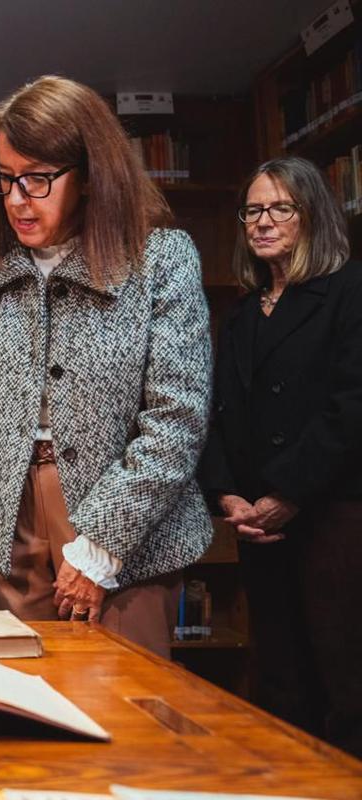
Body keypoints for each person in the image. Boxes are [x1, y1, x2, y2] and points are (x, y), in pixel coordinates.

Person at [0, 75, 213, 658]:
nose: (17, 198)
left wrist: (100, 546)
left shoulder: (161, 258)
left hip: (124, 525)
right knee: (19, 700)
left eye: (38, 179)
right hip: (10, 520)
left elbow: (176, 423)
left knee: (121, 712)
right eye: (4, 177)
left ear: (92, 176)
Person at [200, 156, 361, 756]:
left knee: (346, 684)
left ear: (313, 213)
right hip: (257, 526)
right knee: (280, 682)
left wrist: (285, 494)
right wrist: (228, 497)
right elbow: (212, 411)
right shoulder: (241, 313)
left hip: (333, 518)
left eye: (279, 209)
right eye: (253, 210)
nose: (262, 222)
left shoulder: (350, 291)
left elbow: (352, 408)